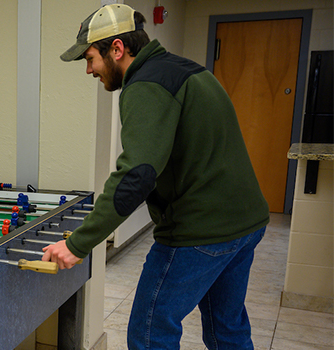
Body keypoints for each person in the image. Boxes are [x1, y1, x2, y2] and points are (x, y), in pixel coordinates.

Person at [41, 4, 270, 350]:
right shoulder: (186, 70)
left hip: (201, 233)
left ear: (117, 48)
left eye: (90, 59)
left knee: (150, 333)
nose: (88, 70)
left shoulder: (146, 85)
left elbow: (137, 174)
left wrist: (78, 243)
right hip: (245, 224)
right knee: (227, 330)